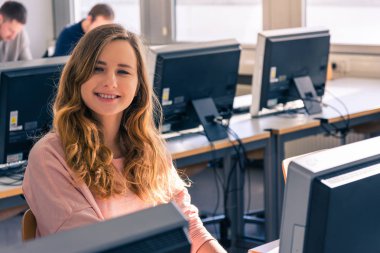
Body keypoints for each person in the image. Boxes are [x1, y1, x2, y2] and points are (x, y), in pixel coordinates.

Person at [23, 24, 226, 253]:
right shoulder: (49, 156)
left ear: (138, 84)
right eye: (97, 69)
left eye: (123, 71)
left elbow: (191, 229)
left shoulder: (149, 147)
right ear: (77, 76)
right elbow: (93, 245)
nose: (110, 81)